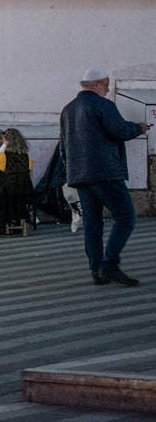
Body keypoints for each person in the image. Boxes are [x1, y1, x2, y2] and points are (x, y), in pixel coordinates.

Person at [61, 67, 150, 286]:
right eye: (106, 84)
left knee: (92, 224)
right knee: (126, 216)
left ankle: (96, 270)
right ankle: (109, 264)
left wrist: (73, 169)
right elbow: (120, 131)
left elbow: (64, 147)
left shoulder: (67, 110)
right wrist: (139, 128)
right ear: (97, 84)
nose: (108, 89)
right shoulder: (103, 105)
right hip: (105, 172)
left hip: (79, 174)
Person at [0, 128, 34, 236]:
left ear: (6, 142)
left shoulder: (0, 156)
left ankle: (0, 224)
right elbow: (29, 176)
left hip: (5, 193)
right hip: (24, 193)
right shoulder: (28, 158)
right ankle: (21, 221)